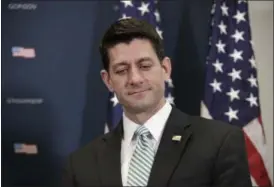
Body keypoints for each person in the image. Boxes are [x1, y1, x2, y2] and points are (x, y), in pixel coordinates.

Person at [61, 18, 252, 187]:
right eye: (121, 70)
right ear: (108, 80)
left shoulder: (220, 142)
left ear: (165, 68)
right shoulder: (81, 164)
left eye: (144, 66)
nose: (135, 78)